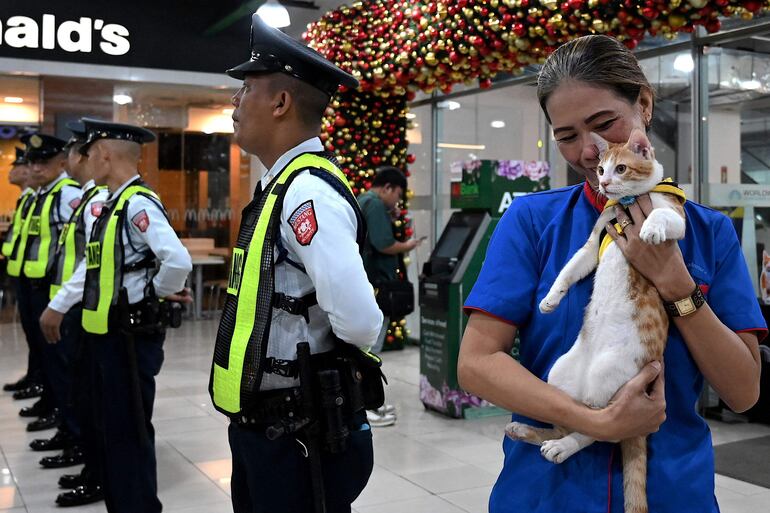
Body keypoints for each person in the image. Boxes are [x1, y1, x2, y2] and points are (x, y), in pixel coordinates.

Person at [457, 35, 766, 513]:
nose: (586, 152)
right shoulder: (533, 222)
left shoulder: (709, 233)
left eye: (603, 125)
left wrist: (675, 284)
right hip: (547, 490)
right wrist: (595, 423)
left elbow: (744, 392)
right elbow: (476, 363)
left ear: (643, 103)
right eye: (566, 136)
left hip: (670, 489)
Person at [209, 14, 383, 513]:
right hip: (267, 428)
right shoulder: (280, 187)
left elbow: (361, 321)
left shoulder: (307, 191)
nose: (234, 104)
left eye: (245, 90)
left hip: (297, 434)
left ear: (281, 103)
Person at [76, 118, 192, 513]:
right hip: (107, 333)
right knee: (112, 429)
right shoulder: (112, 203)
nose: (86, 160)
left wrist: (152, 294)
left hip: (128, 337)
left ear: (106, 154)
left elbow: (177, 260)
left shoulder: (137, 203)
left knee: (129, 433)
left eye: (90, 153)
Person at [37, 120, 109, 507]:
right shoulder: (84, 196)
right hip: (74, 307)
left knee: (87, 396)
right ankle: (85, 459)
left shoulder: (97, 200)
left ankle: (93, 468)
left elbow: (90, 264)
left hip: (83, 308)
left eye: (72, 152)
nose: (67, 158)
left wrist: (60, 303)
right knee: (79, 392)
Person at [13, 134, 81, 433]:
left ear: (63, 163)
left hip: (56, 288)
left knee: (59, 359)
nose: (36, 169)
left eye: (44, 162)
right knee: (44, 353)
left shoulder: (67, 195)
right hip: (36, 282)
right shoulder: (43, 193)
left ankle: (67, 421)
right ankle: (52, 404)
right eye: (33, 162)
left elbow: (80, 242)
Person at [358, 166, 421, 427]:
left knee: (367, 347)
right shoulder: (373, 204)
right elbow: (384, 243)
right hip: (375, 285)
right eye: (397, 194)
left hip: (365, 282)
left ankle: (370, 402)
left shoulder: (366, 200)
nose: (397, 200)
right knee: (371, 348)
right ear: (387, 188)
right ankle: (365, 405)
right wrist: (408, 246)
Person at [2, 147, 37, 393]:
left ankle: (40, 383)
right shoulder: (26, 199)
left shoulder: (38, 198)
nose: (11, 171)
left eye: (18, 166)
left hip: (39, 278)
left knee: (42, 339)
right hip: (23, 273)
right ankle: (34, 378)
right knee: (33, 336)